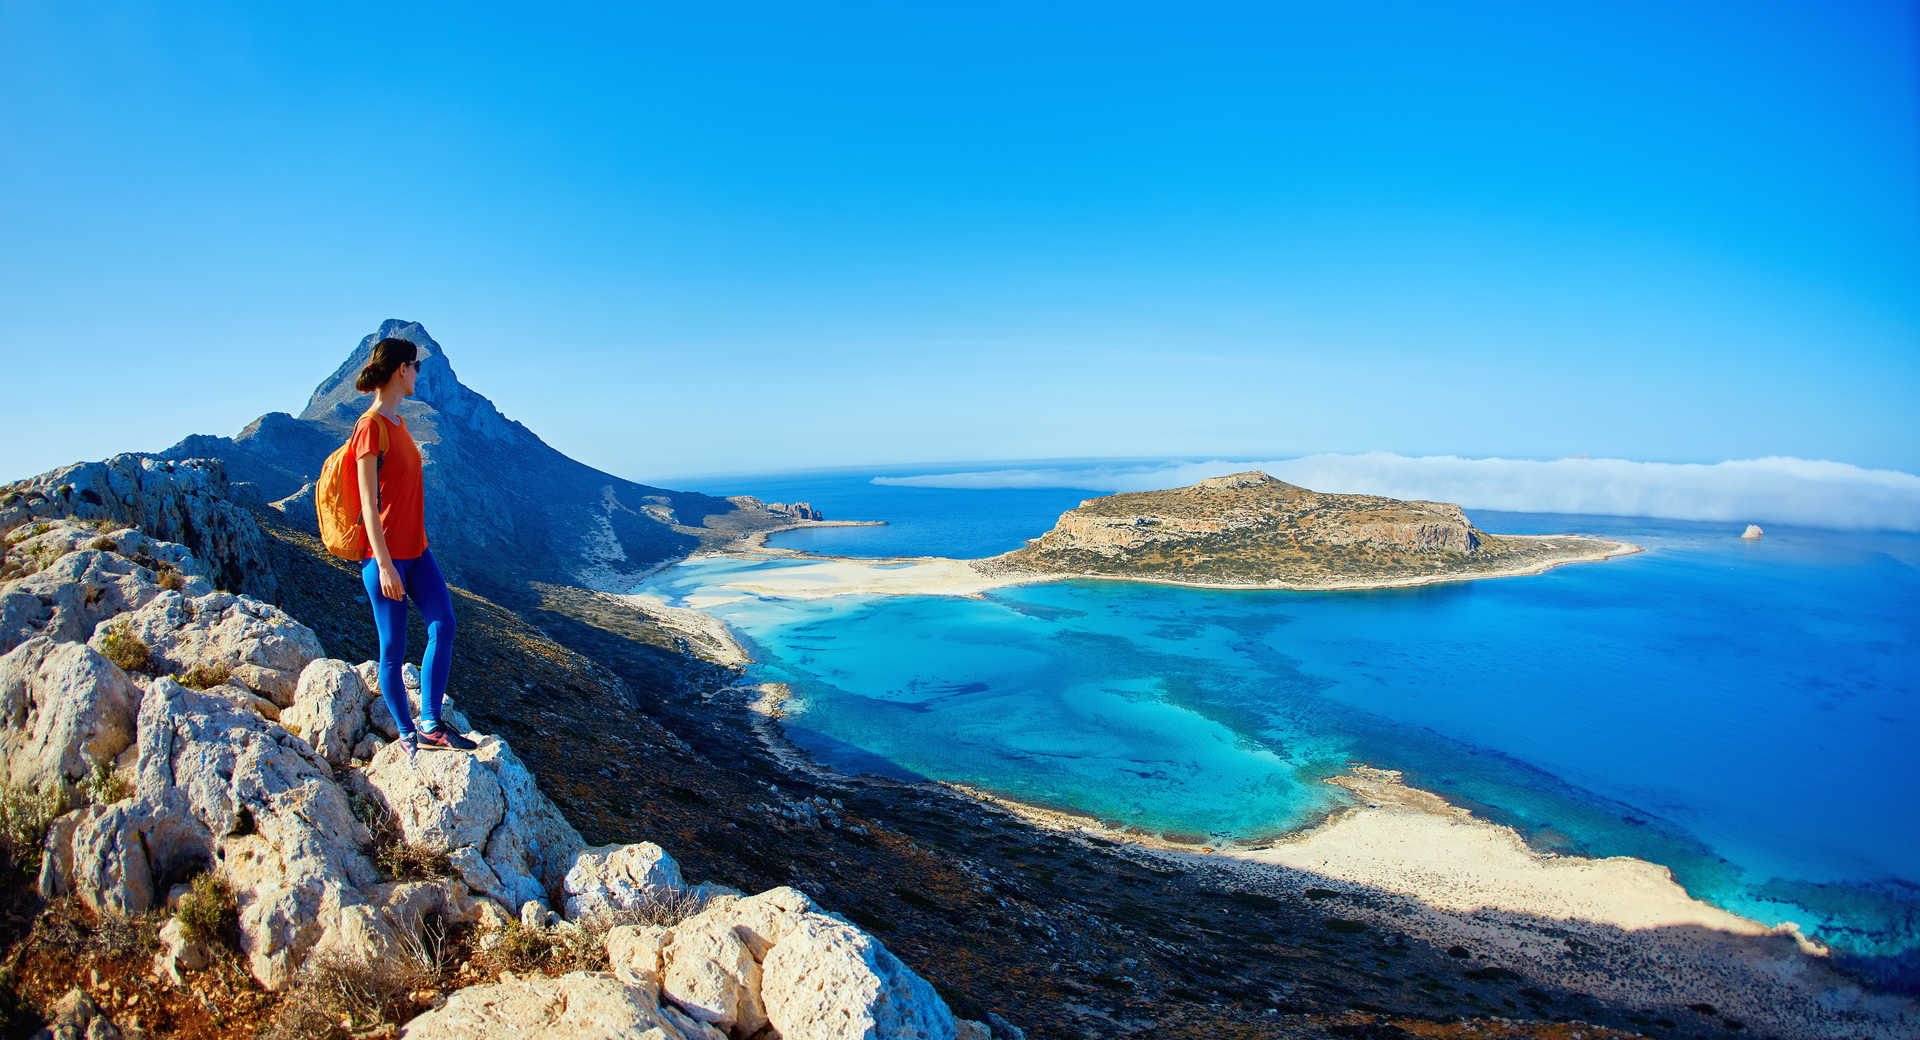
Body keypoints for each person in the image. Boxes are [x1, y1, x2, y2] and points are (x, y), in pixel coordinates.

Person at [351, 337, 479, 759]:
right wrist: (385, 565)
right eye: (416, 367)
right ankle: (408, 734)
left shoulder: (402, 425)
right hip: (386, 559)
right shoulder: (370, 427)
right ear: (401, 370)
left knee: (444, 624)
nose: (419, 375)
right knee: (392, 650)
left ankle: (430, 723)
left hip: (418, 552)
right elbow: (368, 502)